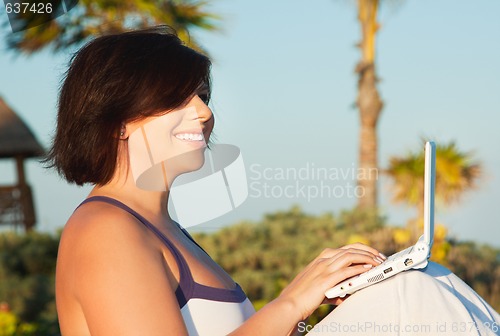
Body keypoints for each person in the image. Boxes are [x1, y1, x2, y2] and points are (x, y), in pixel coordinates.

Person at [51, 26, 387, 335]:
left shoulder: (164, 229)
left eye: (202, 96)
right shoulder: (106, 230)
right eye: (176, 98)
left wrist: (313, 301)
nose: (204, 112)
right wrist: (292, 303)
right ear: (118, 121)